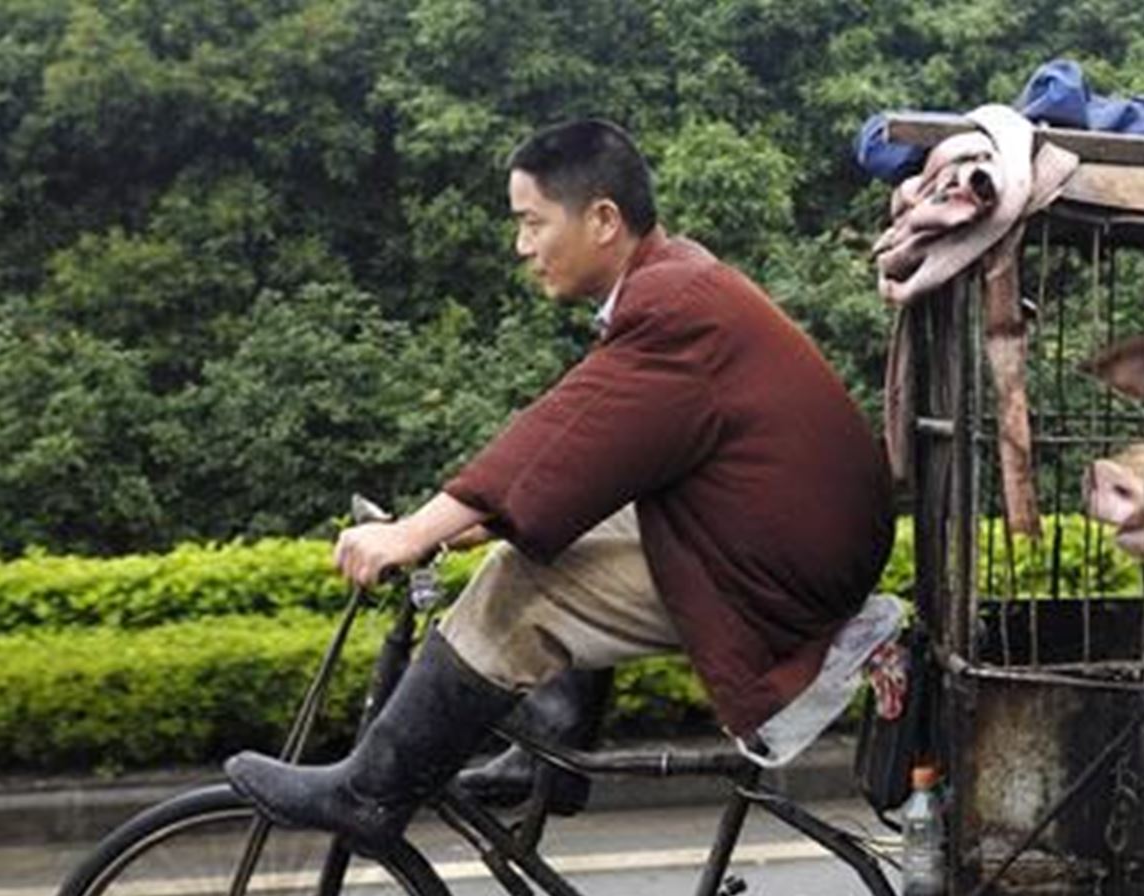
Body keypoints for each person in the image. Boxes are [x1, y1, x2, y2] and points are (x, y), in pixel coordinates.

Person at [228, 119, 894, 853]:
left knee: (521, 587)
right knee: (554, 530)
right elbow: (590, 454)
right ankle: (552, 747)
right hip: (782, 543)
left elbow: (557, 435)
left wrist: (414, 532)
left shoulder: (673, 304)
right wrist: (475, 518)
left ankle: (369, 794)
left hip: (780, 572)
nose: (522, 246)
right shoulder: (677, 280)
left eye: (533, 222)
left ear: (603, 220)